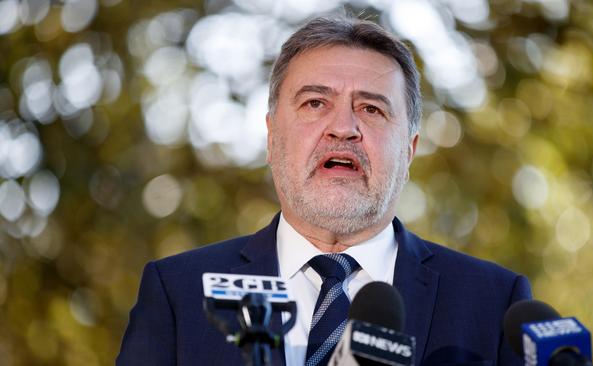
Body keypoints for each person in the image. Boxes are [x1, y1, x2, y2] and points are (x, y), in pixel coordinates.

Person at [117, 16, 532, 366]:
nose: (343, 128)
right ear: (271, 136)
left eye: (371, 108)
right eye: (316, 103)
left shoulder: (495, 303)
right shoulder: (179, 292)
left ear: (409, 149)